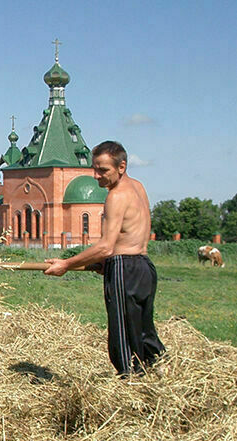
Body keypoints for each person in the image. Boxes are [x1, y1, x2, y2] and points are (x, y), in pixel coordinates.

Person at [44, 141, 165, 376]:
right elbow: (130, 235)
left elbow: (107, 247)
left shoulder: (116, 196)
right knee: (142, 328)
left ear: (121, 167)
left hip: (124, 269)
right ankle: (157, 369)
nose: (95, 176)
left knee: (123, 333)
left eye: (103, 170)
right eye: (94, 168)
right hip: (144, 267)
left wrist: (66, 264)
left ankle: (129, 380)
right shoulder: (138, 188)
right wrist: (102, 262)